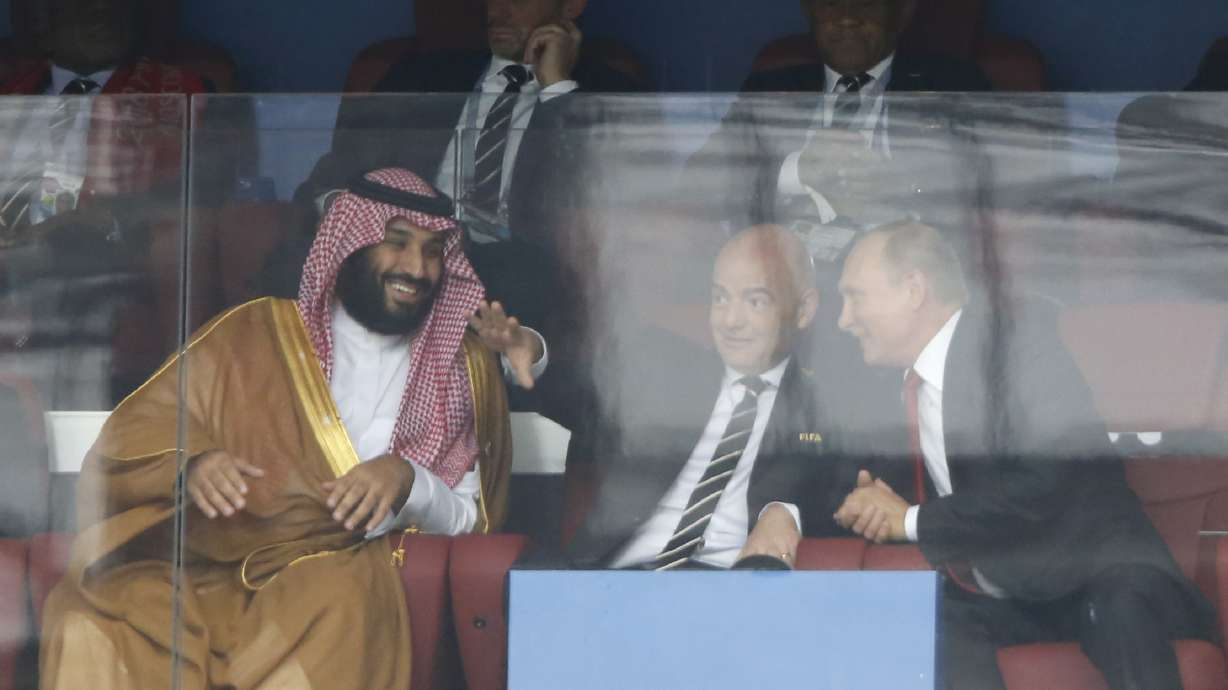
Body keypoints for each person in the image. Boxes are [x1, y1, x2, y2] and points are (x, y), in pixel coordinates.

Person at [37, 168, 542, 689]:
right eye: (397, 244)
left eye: (434, 251)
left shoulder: (459, 367)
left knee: (338, 603)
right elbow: (132, 435)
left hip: (328, 578)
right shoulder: (252, 334)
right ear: (349, 242)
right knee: (88, 619)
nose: (417, 268)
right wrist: (193, 465)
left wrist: (407, 479)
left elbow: (473, 519)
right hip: (209, 567)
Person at [830, 222, 1216, 690]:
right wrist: (868, 500)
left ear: (913, 290)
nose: (843, 320)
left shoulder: (1017, 347)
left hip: (1099, 575)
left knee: (1120, 609)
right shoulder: (888, 384)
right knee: (923, 621)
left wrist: (910, 521)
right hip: (1006, 593)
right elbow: (870, 485)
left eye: (856, 297)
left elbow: (1045, 484)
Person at [558, 225, 855, 569]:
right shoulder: (664, 374)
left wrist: (784, 511)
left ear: (803, 309)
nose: (731, 320)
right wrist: (533, 353)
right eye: (720, 298)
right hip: (618, 579)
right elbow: (572, 394)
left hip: (728, 591)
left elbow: (839, 492)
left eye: (755, 301)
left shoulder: (821, 405)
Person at [687, 0, 990, 265]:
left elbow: (993, 184)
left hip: (901, 270)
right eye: (831, 3)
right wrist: (798, 171)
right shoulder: (770, 89)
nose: (847, 17)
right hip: (786, 274)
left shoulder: (952, 84)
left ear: (899, 10)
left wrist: (897, 184)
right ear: (809, 9)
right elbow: (701, 181)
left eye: (866, 2)